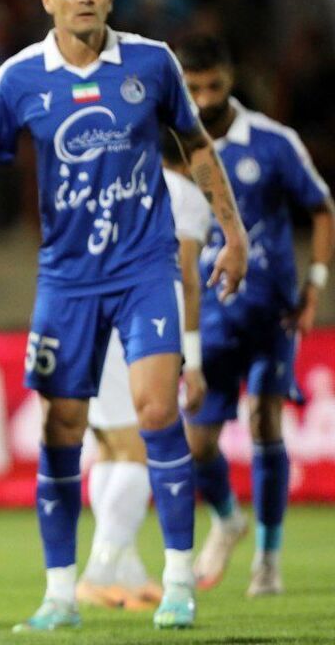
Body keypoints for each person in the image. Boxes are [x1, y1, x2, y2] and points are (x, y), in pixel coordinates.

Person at [0, 0, 248, 632]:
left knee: (158, 413)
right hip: (67, 280)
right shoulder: (20, 79)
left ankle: (179, 582)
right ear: (48, 0)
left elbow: (196, 147)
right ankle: (60, 593)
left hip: (143, 268)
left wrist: (233, 232)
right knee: (59, 429)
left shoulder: (152, 63)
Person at [174, 34, 333, 597]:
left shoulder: (272, 142)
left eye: (213, 85)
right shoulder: (170, 144)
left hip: (272, 314)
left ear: (230, 79)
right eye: (192, 88)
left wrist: (314, 285)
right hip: (208, 318)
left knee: (267, 421)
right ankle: (227, 518)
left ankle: (268, 556)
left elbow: (321, 207)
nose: (204, 98)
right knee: (197, 445)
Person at [76, 142, 210, 610]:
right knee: (136, 448)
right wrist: (191, 358)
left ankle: (127, 572)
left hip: (87, 317)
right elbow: (188, 279)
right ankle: (97, 572)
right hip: (137, 327)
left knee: (112, 446)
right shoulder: (184, 193)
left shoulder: (108, 183)